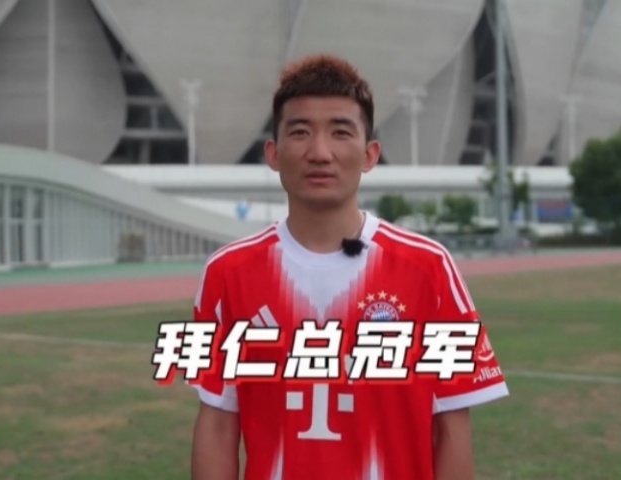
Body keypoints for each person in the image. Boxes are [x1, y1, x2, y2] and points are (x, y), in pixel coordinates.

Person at [189, 53, 509, 480]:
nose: (320, 152)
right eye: (300, 132)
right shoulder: (228, 273)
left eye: (341, 132)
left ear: (370, 154)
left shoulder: (429, 269)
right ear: (273, 153)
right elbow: (217, 423)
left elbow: (451, 429)